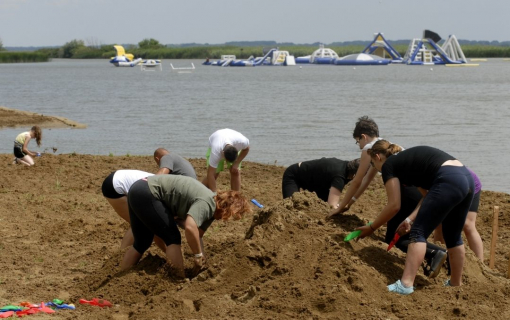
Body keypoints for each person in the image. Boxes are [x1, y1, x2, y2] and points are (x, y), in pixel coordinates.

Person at [356, 141, 474, 295]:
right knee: (453, 235)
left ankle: (405, 284)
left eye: (373, 163)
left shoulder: (388, 166)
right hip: (466, 178)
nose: (376, 169)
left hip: (448, 178)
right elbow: (427, 196)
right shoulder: (406, 162)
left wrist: (371, 228)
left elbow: (394, 205)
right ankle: (455, 284)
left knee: (418, 233)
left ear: (377, 157)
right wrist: (408, 220)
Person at [121, 175, 252, 278]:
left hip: (138, 188)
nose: (227, 220)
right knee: (173, 238)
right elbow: (190, 227)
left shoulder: (212, 205)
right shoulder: (207, 204)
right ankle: (176, 278)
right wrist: (197, 255)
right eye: (231, 215)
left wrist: (202, 260)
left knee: (142, 242)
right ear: (226, 208)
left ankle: (120, 277)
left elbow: (197, 233)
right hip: (148, 192)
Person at [328, 116, 381, 218]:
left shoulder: (368, 148)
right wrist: (349, 203)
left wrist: (340, 207)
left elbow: (357, 181)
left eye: (358, 141)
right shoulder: (382, 144)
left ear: (364, 137)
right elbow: (368, 178)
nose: (360, 146)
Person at [101, 170, 167, 251]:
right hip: (116, 185)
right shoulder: (168, 199)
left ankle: (122, 257)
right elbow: (157, 230)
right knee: (140, 224)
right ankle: (121, 258)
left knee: (142, 223)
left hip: (118, 178)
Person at [434, 167, 484, 262]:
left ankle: (481, 264)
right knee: (439, 223)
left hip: (471, 183)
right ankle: (439, 257)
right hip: (449, 185)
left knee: (468, 225)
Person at [282, 157, 360, 207]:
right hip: (294, 175)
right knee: (290, 205)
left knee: (324, 207)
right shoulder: (339, 177)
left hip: (319, 184)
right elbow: (332, 205)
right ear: (354, 175)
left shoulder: (348, 166)